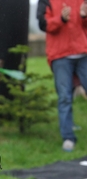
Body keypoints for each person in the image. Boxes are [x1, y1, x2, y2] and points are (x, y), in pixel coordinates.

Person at [37, 0, 87, 151]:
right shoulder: (46, 1)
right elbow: (43, 24)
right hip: (60, 56)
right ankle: (68, 138)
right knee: (65, 97)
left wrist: (84, 17)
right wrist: (61, 19)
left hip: (83, 52)